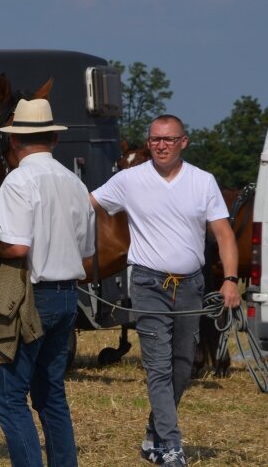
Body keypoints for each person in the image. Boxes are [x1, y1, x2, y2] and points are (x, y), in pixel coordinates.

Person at [90, 115, 239, 467]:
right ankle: (171, 448)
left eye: (168, 139)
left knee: (183, 367)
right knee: (158, 367)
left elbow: (224, 235)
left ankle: (153, 435)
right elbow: (85, 205)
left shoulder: (203, 182)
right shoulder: (129, 180)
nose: (160, 145)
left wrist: (230, 280)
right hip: (148, 283)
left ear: (183, 142)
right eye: (155, 139)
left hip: (191, 286)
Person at [0, 98, 95, 467]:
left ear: (14, 142)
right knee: (51, 394)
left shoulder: (17, 181)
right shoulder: (76, 184)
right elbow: (87, 256)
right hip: (68, 297)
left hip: (30, 298)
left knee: (9, 398)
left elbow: (17, 247)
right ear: (54, 139)